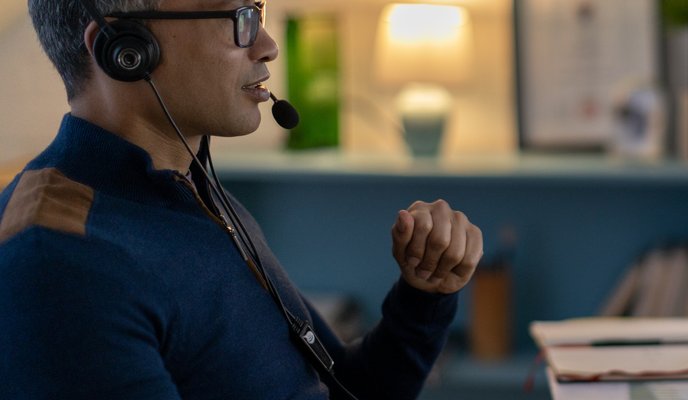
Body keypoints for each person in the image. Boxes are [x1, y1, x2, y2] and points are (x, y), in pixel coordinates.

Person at [0, 0, 483, 398]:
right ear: (123, 50)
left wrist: (423, 297)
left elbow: (344, 389)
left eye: (259, 12)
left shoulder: (192, 188)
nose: (269, 47)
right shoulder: (59, 262)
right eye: (240, 19)